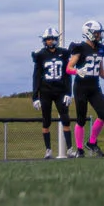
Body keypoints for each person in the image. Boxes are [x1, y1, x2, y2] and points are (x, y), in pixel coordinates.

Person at [66, 19, 104, 156]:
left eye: (99, 33)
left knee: (103, 114)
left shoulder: (100, 49)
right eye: (96, 33)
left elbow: (101, 71)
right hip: (81, 87)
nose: (99, 35)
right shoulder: (80, 48)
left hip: (94, 87)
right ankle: (80, 149)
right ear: (88, 33)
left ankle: (92, 142)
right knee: (81, 119)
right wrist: (77, 71)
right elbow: (68, 68)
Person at [32, 27, 74, 158]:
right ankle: (48, 150)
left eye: (52, 39)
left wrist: (69, 93)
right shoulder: (40, 55)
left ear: (56, 39)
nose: (50, 41)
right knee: (46, 121)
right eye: (48, 39)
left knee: (66, 119)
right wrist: (35, 97)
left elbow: (67, 75)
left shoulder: (64, 53)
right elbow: (36, 76)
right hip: (45, 91)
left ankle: (70, 149)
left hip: (60, 91)